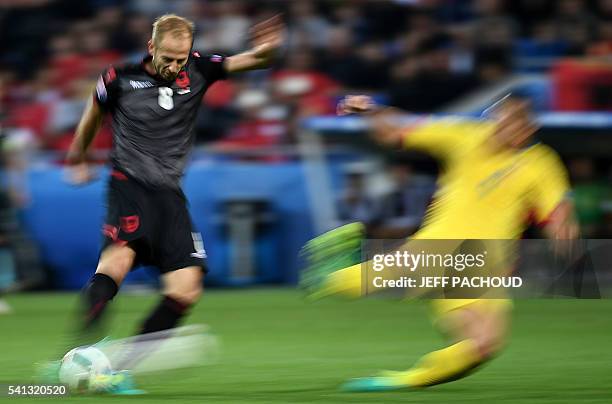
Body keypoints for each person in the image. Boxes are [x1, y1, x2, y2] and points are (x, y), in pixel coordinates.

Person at [40, 14, 284, 393]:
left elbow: (252, 61)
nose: (174, 66)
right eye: (167, 58)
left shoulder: (201, 69)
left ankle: (117, 370)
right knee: (116, 264)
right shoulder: (118, 79)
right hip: (129, 185)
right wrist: (77, 157)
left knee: (186, 290)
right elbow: (93, 114)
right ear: (151, 47)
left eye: (180, 59)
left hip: (170, 196)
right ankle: (71, 356)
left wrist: (267, 52)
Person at [302, 94, 578, 391]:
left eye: (516, 124)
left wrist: (563, 227)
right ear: (493, 120)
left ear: (529, 129)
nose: (507, 129)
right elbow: (394, 131)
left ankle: (399, 379)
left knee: (483, 347)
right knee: (377, 282)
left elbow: (556, 206)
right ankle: (333, 270)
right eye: (502, 121)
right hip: (440, 245)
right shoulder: (462, 135)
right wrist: (371, 110)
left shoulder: (541, 162)